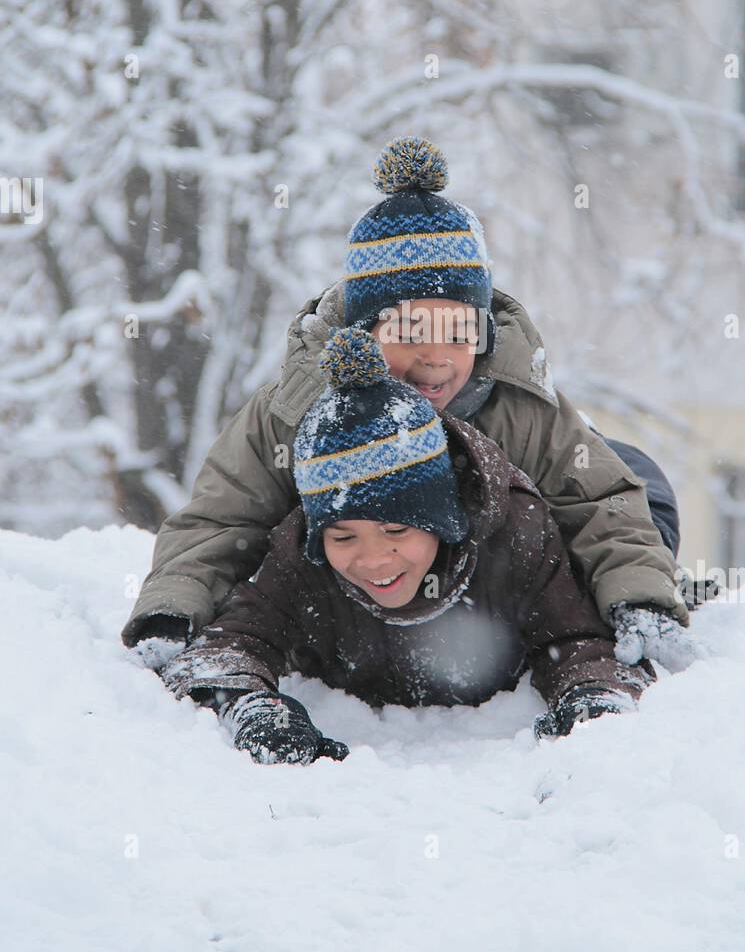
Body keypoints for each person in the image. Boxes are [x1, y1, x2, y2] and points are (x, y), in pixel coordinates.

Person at [123, 136, 693, 674]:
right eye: (410, 332)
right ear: (362, 332)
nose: (436, 359)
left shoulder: (516, 406)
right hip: (360, 606)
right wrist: (176, 603)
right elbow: (225, 516)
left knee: (634, 477)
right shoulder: (298, 410)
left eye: (458, 332)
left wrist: (638, 591)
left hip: (493, 591)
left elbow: (599, 501)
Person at [160, 327, 656, 765]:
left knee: (641, 484)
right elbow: (226, 647)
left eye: (397, 531)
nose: (373, 558)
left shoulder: (515, 534)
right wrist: (253, 710)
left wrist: (592, 698)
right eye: (343, 535)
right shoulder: (302, 556)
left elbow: (575, 641)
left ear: (441, 519)